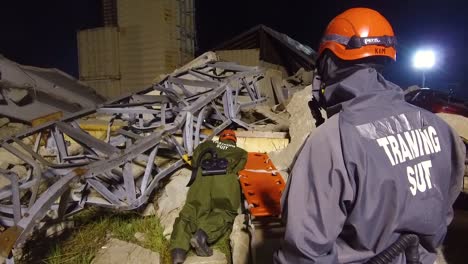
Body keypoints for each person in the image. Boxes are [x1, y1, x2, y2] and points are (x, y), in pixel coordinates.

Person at [274, 7, 466, 264]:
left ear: (328, 63)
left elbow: (302, 254)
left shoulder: (333, 141)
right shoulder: (440, 129)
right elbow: (445, 210)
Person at [170, 129, 248, 264]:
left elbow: (194, 162)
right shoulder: (241, 152)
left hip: (202, 179)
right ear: (234, 141)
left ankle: (178, 251)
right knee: (224, 212)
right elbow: (239, 169)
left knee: (190, 212)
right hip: (224, 180)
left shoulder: (207, 145)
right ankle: (202, 235)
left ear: (220, 138)